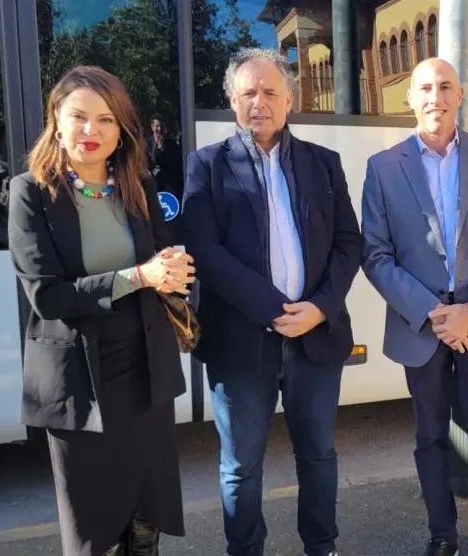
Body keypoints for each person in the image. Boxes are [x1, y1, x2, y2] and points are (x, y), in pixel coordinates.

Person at [179, 48, 363, 556]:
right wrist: (275, 310)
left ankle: (321, 547)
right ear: (232, 101)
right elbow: (204, 251)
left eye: (268, 92)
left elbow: (350, 242)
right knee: (241, 466)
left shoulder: (324, 164)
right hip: (240, 344)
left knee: (319, 457)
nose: (258, 103)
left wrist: (320, 308)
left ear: (289, 99)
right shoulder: (207, 166)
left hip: (317, 339)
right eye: (247, 93)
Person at [7, 66, 195, 556]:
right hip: (79, 382)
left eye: (106, 120)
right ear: (56, 120)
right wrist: (138, 276)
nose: (91, 131)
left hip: (145, 372)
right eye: (79, 117)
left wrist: (174, 269)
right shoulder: (30, 192)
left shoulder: (138, 185)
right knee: (95, 528)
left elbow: (160, 255)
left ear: (122, 131)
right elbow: (46, 296)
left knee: (145, 519)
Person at [360, 57, 468, 556]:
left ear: (461, 95)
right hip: (422, 329)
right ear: (410, 97)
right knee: (431, 437)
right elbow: (376, 253)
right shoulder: (384, 167)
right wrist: (435, 313)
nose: (436, 97)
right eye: (426, 88)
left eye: (445, 86)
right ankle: (443, 535)